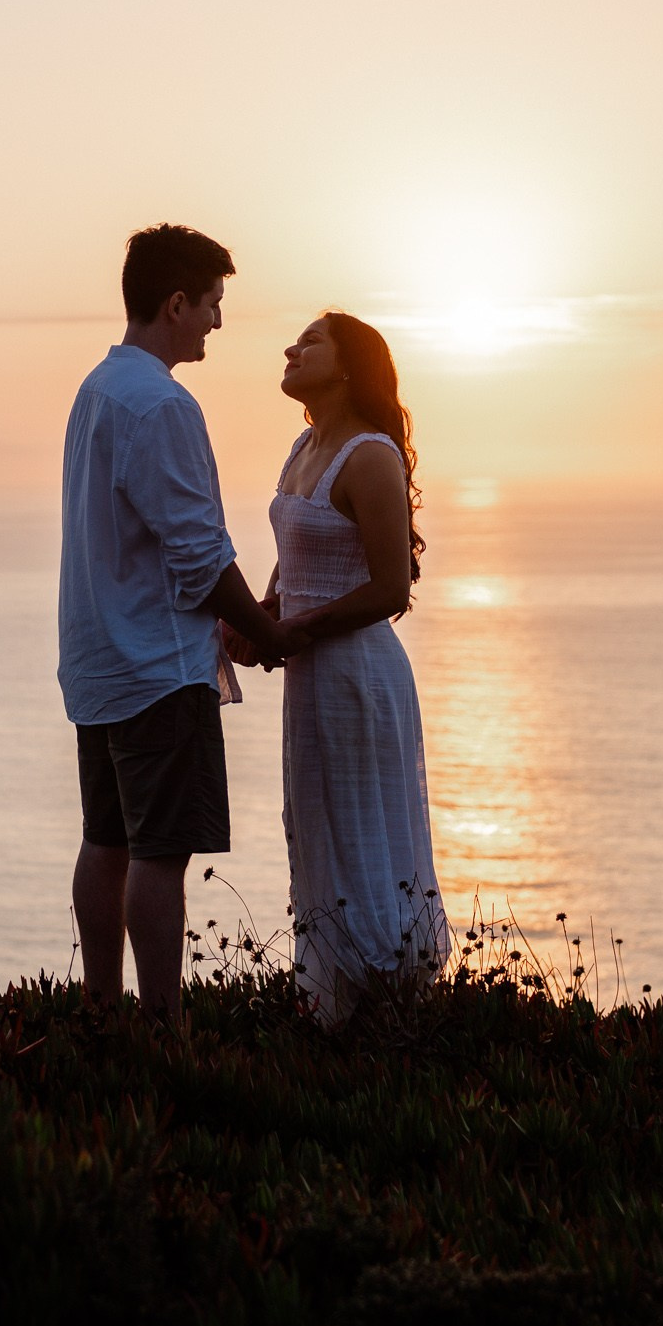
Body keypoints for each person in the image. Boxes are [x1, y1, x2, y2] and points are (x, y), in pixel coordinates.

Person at [58, 224, 291, 1020]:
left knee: (106, 842)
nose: (217, 323)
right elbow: (197, 555)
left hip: (99, 663)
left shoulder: (96, 391)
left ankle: (100, 1012)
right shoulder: (162, 404)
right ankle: (160, 1027)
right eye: (213, 305)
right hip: (157, 667)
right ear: (176, 302)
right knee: (158, 856)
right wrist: (267, 631)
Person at [226, 311, 449, 1023]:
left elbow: (391, 589)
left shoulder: (370, 455)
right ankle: (331, 1011)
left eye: (310, 341)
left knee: (365, 835)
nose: (290, 349)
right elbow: (299, 559)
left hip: (357, 676)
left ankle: (389, 1008)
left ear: (349, 365)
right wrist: (261, 615)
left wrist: (291, 630)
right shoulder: (304, 445)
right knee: (319, 832)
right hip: (311, 677)